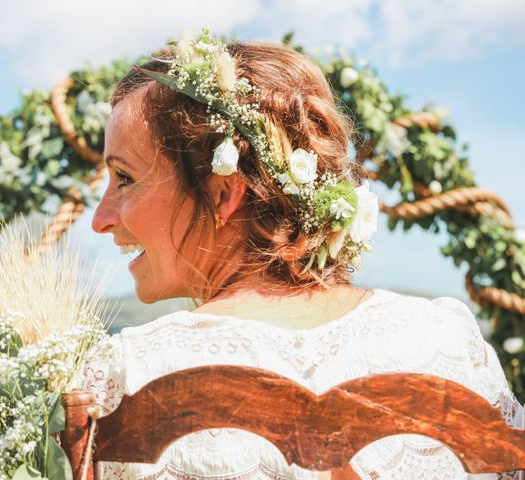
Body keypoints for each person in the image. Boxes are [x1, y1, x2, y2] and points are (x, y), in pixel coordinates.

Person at [84, 30, 523, 479]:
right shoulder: (449, 343)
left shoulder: (128, 375)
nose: (99, 219)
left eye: (124, 177)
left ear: (222, 193)